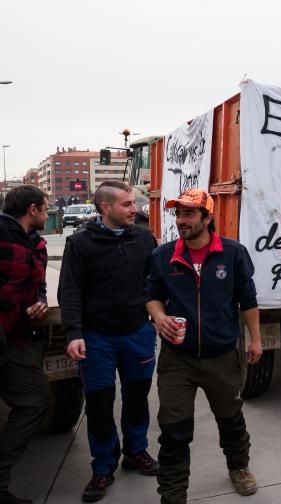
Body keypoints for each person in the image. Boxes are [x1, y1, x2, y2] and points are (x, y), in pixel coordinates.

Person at [145, 189, 262, 504]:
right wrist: (158, 316)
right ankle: (172, 494)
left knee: (230, 418)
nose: (181, 220)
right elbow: (152, 295)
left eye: (189, 214)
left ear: (208, 218)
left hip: (222, 355)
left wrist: (256, 339)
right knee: (173, 430)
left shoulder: (233, 254)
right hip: (177, 359)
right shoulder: (162, 256)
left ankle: (239, 467)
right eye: (178, 213)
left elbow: (247, 300)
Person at [59, 180, 159, 502]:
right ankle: (103, 466)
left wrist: (159, 317)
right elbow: (70, 292)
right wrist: (73, 333)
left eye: (134, 203)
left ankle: (136, 452)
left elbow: (155, 283)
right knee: (100, 404)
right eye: (127, 204)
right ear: (106, 208)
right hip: (96, 338)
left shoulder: (144, 238)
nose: (135, 209)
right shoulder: (81, 244)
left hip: (137, 334)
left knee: (137, 397)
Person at [0, 186, 51, 504]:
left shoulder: (36, 244)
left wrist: (41, 301)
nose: (48, 213)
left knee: (35, 399)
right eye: (46, 208)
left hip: (16, 339)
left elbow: (40, 283)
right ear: (32, 209)